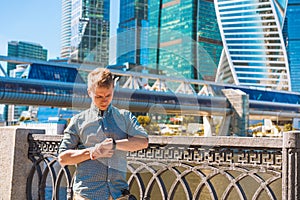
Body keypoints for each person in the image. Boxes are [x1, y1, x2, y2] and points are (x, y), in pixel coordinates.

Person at [58, 68, 149, 200]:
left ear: (113, 90)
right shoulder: (78, 121)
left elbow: (143, 142)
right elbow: (63, 158)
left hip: (119, 194)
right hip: (87, 195)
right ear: (89, 92)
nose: (104, 100)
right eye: (99, 96)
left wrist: (114, 145)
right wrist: (93, 152)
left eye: (108, 95)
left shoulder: (125, 117)